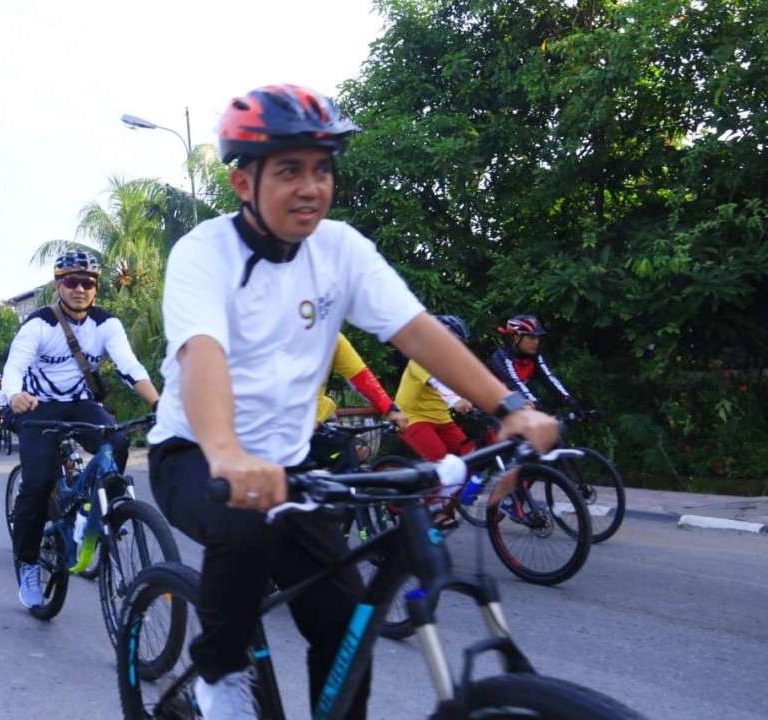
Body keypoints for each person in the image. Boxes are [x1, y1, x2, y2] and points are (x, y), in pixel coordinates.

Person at [146, 84, 557, 719]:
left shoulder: (342, 250)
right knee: (244, 524)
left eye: (322, 169)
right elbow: (203, 353)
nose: (311, 186)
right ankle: (219, 674)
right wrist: (226, 453)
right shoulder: (204, 252)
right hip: (197, 454)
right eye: (289, 170)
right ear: (241, 183)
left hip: (292, 461)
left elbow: (417, 331)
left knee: (345, 628)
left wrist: (509, 408)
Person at [3, 249, 159, 610]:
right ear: (59, 285)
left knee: (117, 439)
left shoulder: (106, 324)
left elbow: (129, 366)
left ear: (96, 289)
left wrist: (158, 404)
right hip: (38, 407)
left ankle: (91, 510)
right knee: (38, 484)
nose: (80, 289)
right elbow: (16, 365)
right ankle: (27, 564)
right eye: (71, 282)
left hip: (81, 404)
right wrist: (14, 395)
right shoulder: (39, 324)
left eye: (87, 283)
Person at [393, 315, 477, 528]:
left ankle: (447, 507)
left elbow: (473, 384)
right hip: (411, 417)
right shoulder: (420, 357)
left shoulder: (453, 362)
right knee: (439, 458)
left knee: (471, 455)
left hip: (440, 418)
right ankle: (432, 509)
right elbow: (438, 383)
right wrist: (455, 399)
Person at [310, 332, 407, 470]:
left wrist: (390, 410)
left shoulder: (333, 338)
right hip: (278, 431)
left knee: (353, 451)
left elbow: (360, 378)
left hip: (310, 425)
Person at [488, 314, 576, 411]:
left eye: (538, 338)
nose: (536, 342)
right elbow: (515, 384)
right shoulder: (502, 357)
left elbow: (548, 378)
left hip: (512, 406)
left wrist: (569, 400)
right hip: (488, 410)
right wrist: (539, 407)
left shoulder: (534, 357)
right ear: (517, 338)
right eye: (531, 337)